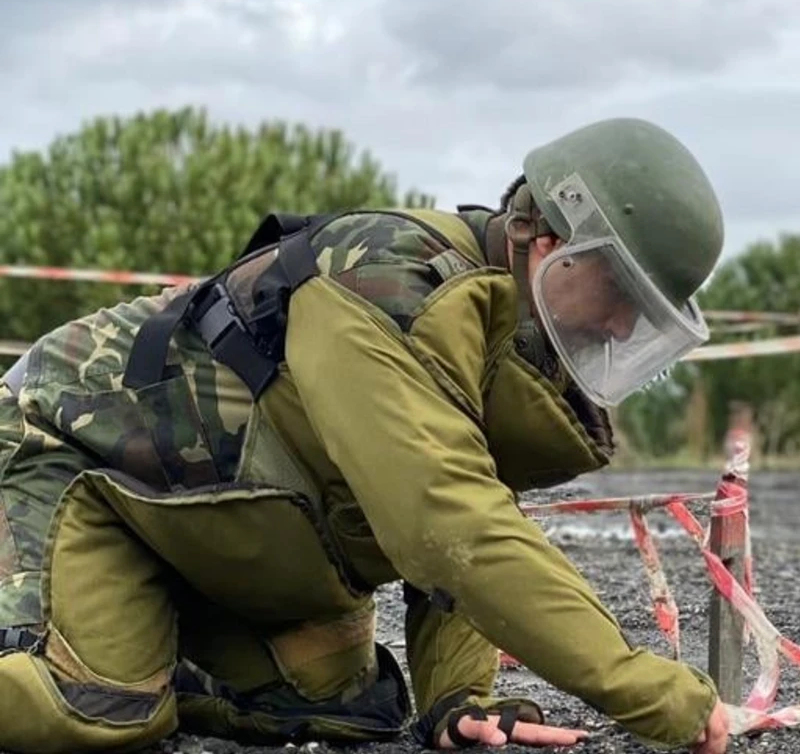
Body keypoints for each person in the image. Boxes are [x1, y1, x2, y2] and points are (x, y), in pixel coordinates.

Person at [0, 117, 731, 753]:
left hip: (206, 524)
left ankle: (158, 644)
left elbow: (465, 499)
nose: (619, 327)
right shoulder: (387, 285)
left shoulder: (504, 332)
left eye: (645, 315)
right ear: (547, 236)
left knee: (346, 709)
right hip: (68, 455)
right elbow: (445, 521)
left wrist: (459, 701)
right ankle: (117, 660)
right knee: (91, 710)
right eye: (619, 291)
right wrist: (650, 693)